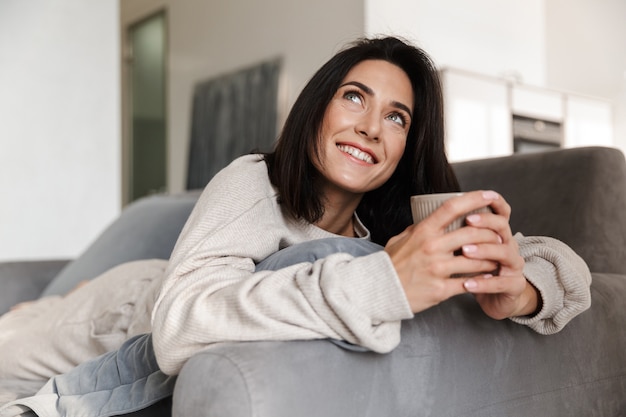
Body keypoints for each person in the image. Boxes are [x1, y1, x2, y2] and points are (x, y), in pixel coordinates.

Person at [0, 36, 591, 416]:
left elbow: (564, 265)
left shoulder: (391, 235)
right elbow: (178, 329)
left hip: (162, 283)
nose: (370, 127)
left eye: (395, 116)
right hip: (113, 312)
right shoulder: (256, 180)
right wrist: (385, 282)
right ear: (318, 106)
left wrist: (522, 291)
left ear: (407, 145)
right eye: (354, 97)